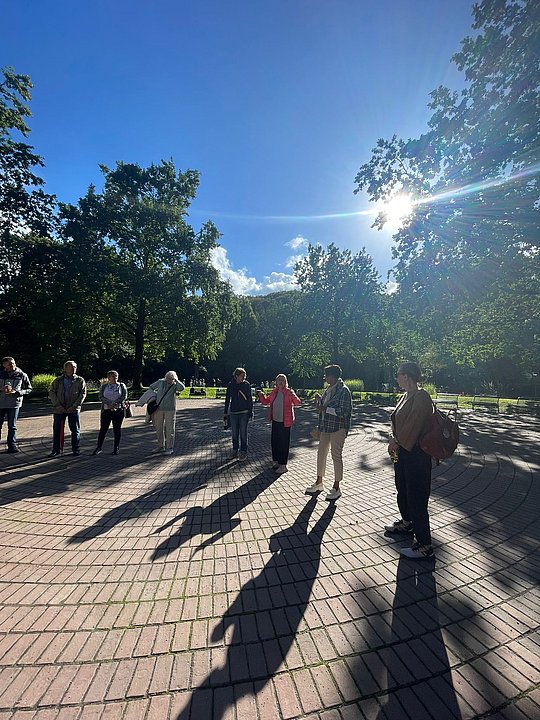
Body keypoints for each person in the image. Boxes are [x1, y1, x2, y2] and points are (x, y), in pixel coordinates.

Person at [386, 361, 435, 559]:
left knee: (416, 496)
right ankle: (407, 523)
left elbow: (414, 426)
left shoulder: (421, 396)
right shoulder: (405, 396)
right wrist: (393, 439)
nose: (396, 378)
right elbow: (398, 422)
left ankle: (425, 545)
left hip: (416, 454)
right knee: (402, 488)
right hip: (403, 452)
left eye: (398, 374)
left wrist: (396, 441)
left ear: (407, 376)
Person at [305, 364, 352, 501]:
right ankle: (319, 482)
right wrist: (320, 403)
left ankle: (336, 487)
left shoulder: (343, 390)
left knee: (336, 455)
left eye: (326, 375)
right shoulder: (329, 389)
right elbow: (324, 407)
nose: (325, 378)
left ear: (333, 376)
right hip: (326, 427)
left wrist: (325, 409)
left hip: (339, 427)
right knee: (321, 453)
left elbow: (344, 412)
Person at [257, 374, 301, 474]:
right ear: (276, 382)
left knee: (283, 444)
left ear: (286, 382)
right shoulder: (275, 392)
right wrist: (261, 395)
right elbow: (265, 402)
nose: (281, 382)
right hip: (275, 421)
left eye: (283, 380)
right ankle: (277, 462)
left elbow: (297, 402)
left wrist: (292, 394)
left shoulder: (288, 392)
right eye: (279, 380)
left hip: (285, 422)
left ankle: (283, 465)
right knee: (275, 442)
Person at [48, 361, 87, 456]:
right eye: (71, 367)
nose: (73, 369)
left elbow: (83, 394)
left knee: (75, 430)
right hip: (59, 409)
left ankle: (76, 449)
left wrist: (74, 406)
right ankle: (56, 450)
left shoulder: (80, 380)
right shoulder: (58, 380)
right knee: (57, 430)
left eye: (75, 367)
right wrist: (57, 405)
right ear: (65, 368)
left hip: (73, 409)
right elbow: (52, 392)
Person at [0, 356, 32, 453]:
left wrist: (18, 392)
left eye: (13, 363)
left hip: (14, 404)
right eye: (9, 364)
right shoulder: (0, 374)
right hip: (1, 403)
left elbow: (29, 389)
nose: (12, 365)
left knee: (12, 426)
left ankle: (12, 445)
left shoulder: (22, 375)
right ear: (4, 365)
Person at [148, 371, 185, 454]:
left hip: (170, 410)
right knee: (158, 428)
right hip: (158, 409)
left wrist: (176, 380)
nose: (169, 380)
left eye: (171, 379)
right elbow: (151, 387)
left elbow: (182, 388)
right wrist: (154, 395)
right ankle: (160, 446)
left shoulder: (175, 385)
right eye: (167, 378)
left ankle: (169, 448)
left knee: (170, 429)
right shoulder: (160, 382)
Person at [92, 371, 128, 456]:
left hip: (118, 410)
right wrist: (109, 403)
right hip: (106, 410)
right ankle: (99, 447)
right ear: (108, 378)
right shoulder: (104, 386)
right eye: (113, 376)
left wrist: (115, 403)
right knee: (103, 429)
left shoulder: (121, 385)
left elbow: (124, 396)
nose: (115, 378)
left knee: (117, 429)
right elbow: (101, 397)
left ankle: (116, 447)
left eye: (116, 376)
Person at [224, 367, 253, 461]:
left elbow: (249, 399)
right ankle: (235, 451)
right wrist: (225, 412)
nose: (243, 377)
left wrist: (250, 411)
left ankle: (243, 452)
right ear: (236, 376)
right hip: (233, 412)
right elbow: (227, 399)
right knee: (234, 433)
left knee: (243, 433)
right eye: (242, 376)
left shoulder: (246, 385)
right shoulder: (231, 385)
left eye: (244, 375)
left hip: (244, 412)